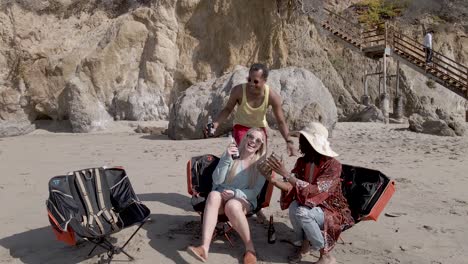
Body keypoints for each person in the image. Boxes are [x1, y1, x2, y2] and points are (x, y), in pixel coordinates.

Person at [261, 122, 354, 264]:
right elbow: (291, 186)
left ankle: (325, 255)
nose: (300, 142)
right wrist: (272, 180)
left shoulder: (333, 165)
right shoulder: (302, 162)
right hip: (310, 203)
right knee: (294, 207)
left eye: (304, 140)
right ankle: (303, 246)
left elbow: (315, 190)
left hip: (331, 208)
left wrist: (286, 173)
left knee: (302, 212)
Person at [188, 128, 267, 264]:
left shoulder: (260, 165)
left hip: (243, 200)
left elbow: (254, 192)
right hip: (221, 195)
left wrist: (235, 193)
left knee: (233, 205)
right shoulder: (232, 155)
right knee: (213, 195)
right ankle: (204, 248)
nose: (253, 141)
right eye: (251, 137)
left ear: (261, 146)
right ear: (245, 138)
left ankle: (250, 249)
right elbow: (217, 181)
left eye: (258, 141)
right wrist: (225, 158)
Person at [206, 63, 295, 156]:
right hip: (241, 127)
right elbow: (228, 109)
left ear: (264, 80)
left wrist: (289, 141)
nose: (251, 84)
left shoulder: (272, 96)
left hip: (260, 129)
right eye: (249, 80)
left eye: (256, 81)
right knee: (245, 154)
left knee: (259, 159)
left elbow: (281, 121)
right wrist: (215, 124)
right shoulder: (238, 91)